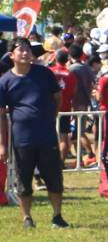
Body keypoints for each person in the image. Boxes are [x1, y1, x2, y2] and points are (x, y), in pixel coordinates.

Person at [0, 40, 69, 228]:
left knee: (53, 176)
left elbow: (57, 97)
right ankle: (27, 217)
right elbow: (1, 115)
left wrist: (49, 116)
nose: (25, 53)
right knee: (24, 179)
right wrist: (3, 144)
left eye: (28, 49)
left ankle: (57, 215)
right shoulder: (5, 81)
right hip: (22, 138)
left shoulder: (44, 74)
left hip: (46, 135)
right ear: (12, 56)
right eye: (20, 50)